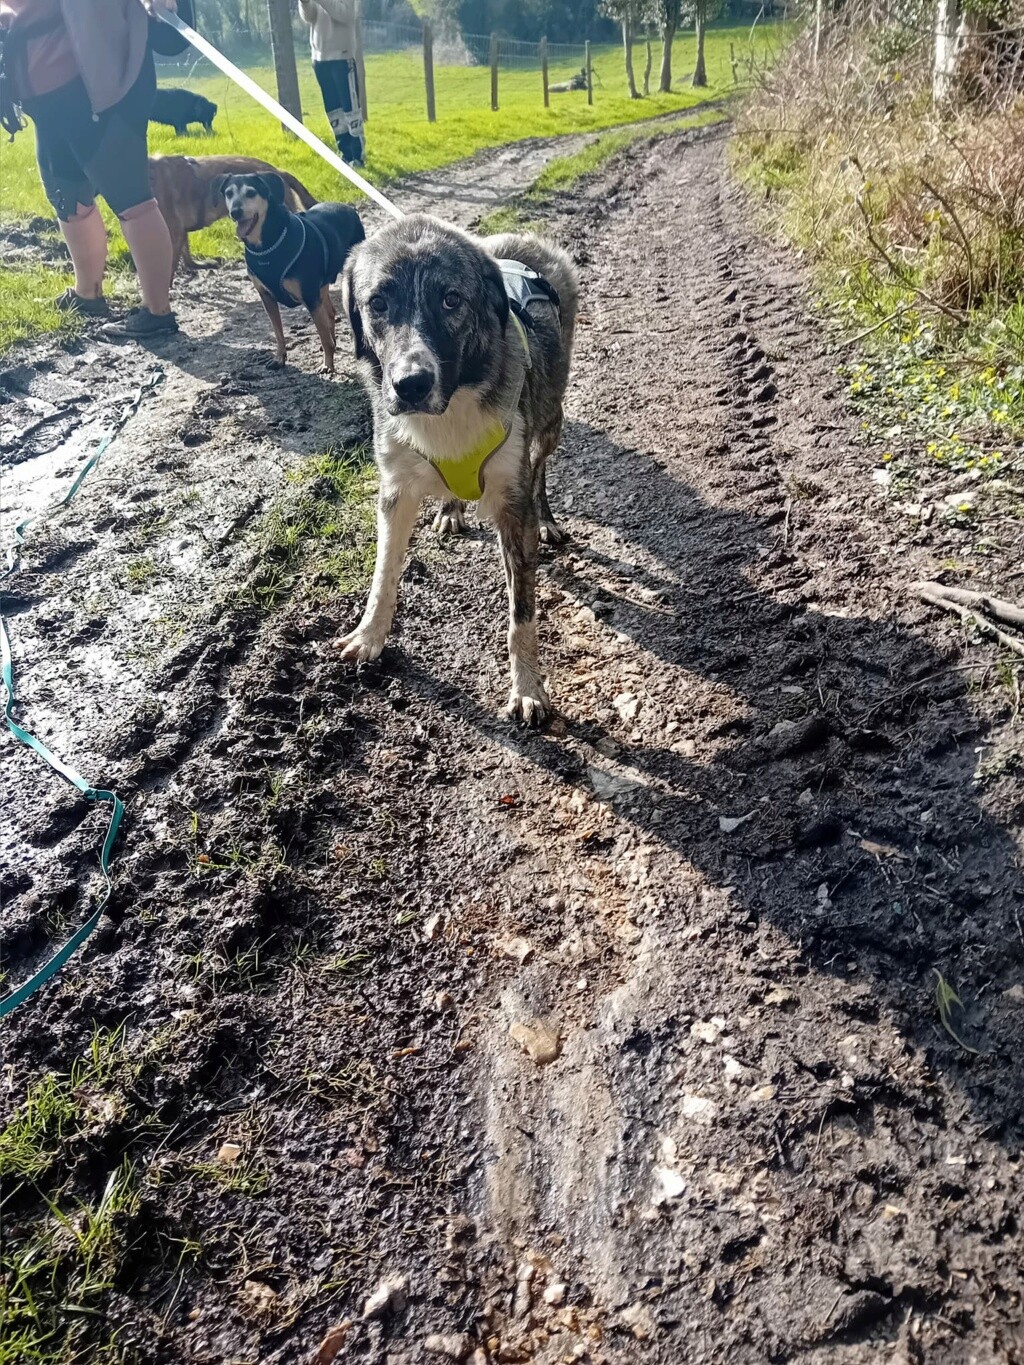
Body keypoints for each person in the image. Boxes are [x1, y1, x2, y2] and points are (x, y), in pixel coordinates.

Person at [0, 0, 179, 337]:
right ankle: (88, 294)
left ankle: (157, 313)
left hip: (97, 84)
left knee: (132, 199)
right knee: (67, 196)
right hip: (41, 92)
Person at [298, 0, 365, 168]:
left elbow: (346, 15)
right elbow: (309, 18)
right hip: (320, 57)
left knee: (350, 108)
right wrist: (305, 3)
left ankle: (358, 155)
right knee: (332, 109)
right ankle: (344, 152)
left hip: (342, 57)